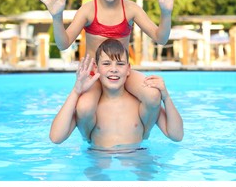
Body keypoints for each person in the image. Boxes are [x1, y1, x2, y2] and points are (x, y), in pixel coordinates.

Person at [37, 0, 174, 141]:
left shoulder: (131, 9)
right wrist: (57, 17)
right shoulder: (88, 10)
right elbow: (63, 43)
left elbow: (161, 38)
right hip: (93, 74)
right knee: (84, 108)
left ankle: (144, 132)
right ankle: (89, 137)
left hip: (121, 72)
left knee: (152, 96)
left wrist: (166, 13)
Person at [49, 39, 183, 150]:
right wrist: (76, 91)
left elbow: (177, 135)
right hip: (98, 158)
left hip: (137, 159)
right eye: (106, 64)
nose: (113, 69)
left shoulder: (138, 104)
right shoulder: (92, 108)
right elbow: (56, 138)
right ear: (96, 68)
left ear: (128, 69)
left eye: (120, 64)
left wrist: (166, 97)